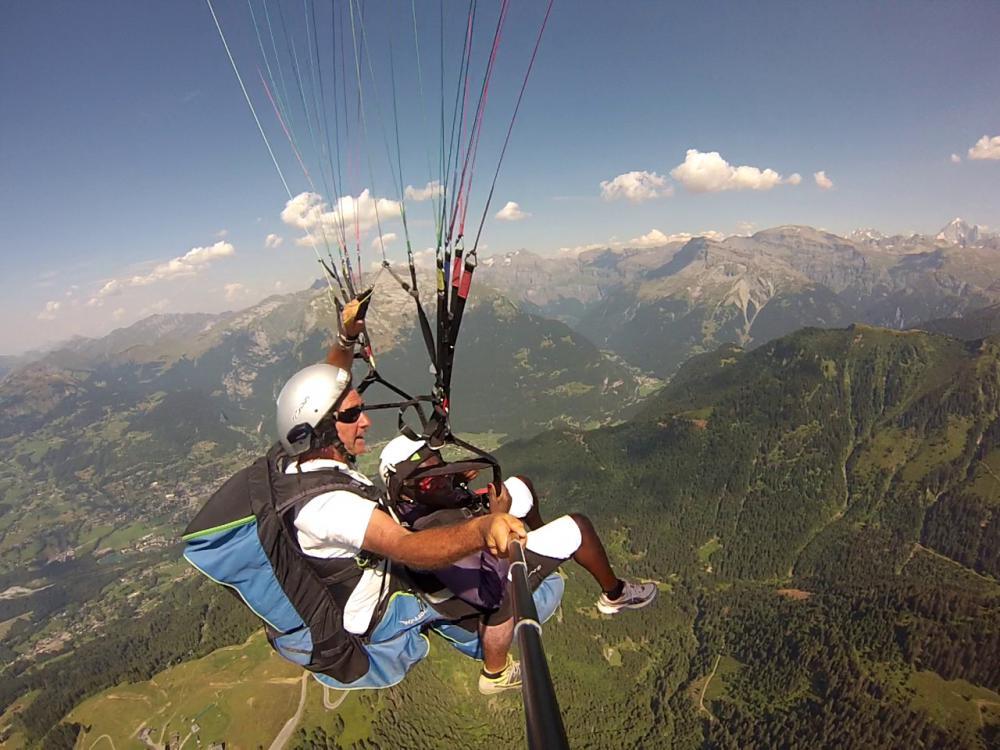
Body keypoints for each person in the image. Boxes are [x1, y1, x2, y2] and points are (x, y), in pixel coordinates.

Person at [183, 298, 561, 694]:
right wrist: (482, 529)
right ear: (320, 430)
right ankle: (492, 666)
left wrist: (346, 339)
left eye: (359, 410)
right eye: (351, 416)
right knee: (474, 594)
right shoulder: (331, 508)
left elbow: (331, 383)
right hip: (374, 614)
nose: (365, 421)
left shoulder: (293, 456)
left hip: (357, 568)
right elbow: (408, 548)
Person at [378, 435, 658, 620]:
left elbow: (437, 496)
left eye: (438, 467)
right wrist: (497, 517)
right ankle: (615, 595)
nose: (439, 478)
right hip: (495, 583)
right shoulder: (429, 533)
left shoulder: (414, 503)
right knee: (579, 527)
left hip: (476, 532)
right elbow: (489, 594)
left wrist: (454, 480)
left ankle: (540, 537)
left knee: (521, 485)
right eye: (429, 478)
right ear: (405, 489)